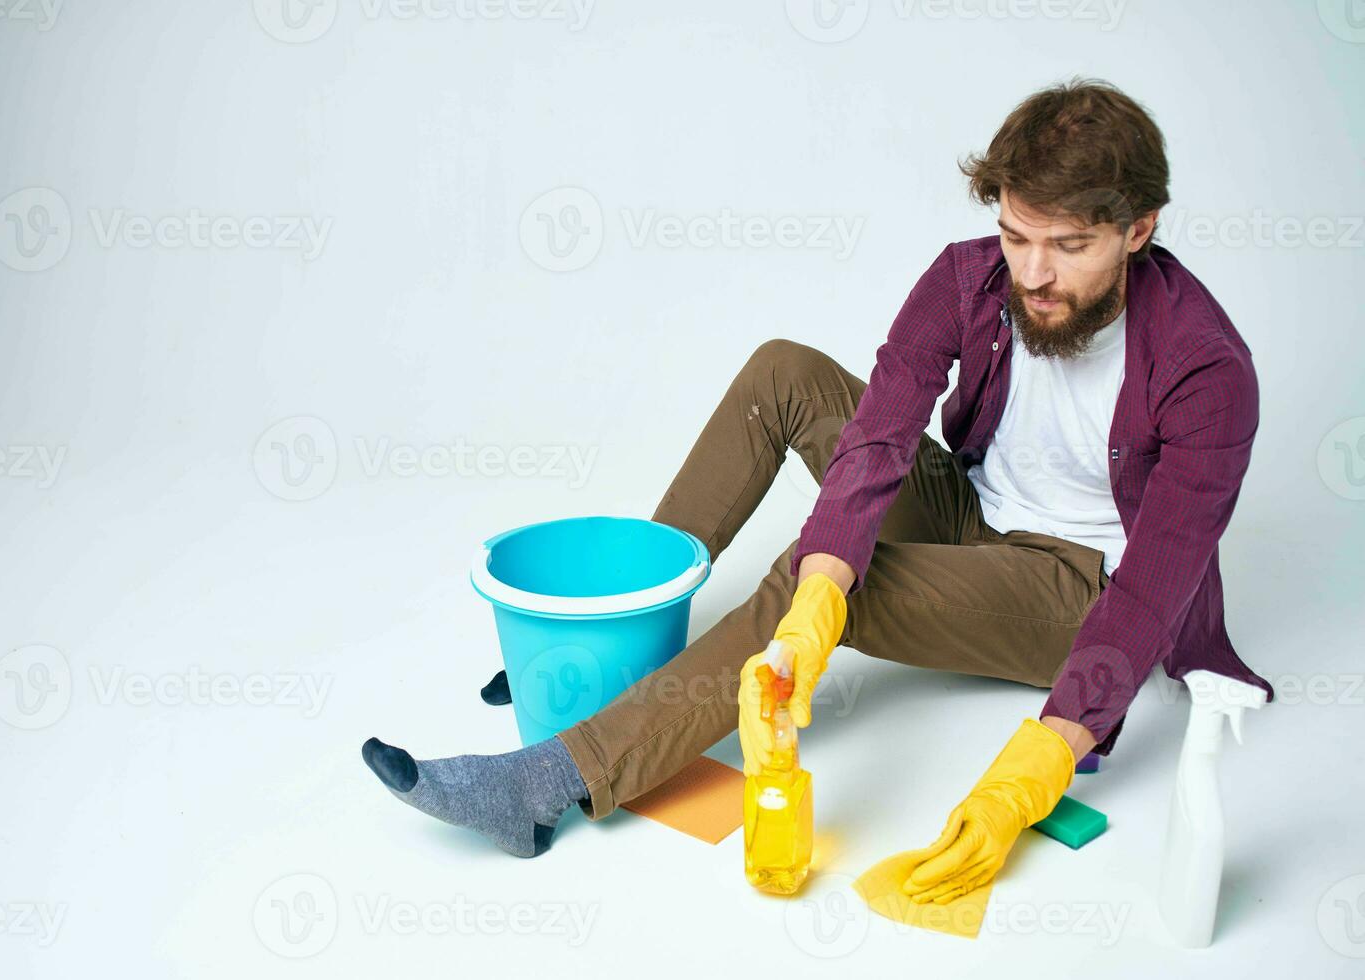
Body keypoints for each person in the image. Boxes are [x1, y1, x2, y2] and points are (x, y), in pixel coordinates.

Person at [361, 79, 1272, 903]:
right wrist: (821, 593)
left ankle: (548, 783)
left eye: (1070, 246)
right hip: (973, 511)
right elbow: (879, 437)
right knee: (784, 377)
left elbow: (1155, 587)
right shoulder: (971, 277)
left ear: (1138, 230)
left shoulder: (1208, 372)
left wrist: (1035, 768)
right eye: (1017, 234)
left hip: (1082, 586)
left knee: (821, 576)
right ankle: (625, 649)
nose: (1033, 273)